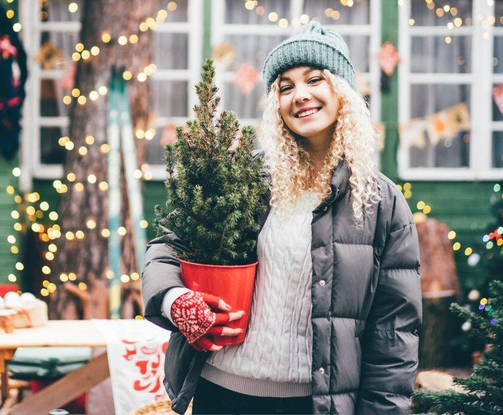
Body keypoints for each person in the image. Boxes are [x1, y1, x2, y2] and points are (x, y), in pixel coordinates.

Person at [142, 21, 422, 415]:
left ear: (341, 91)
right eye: (285, 87)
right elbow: (166, 249)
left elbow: (393, 334)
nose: (300, 95)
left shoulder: (380, 202)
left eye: (313, 80)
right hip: (221, 392)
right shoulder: (245, 178)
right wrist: (174, 300)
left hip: (314, 404)